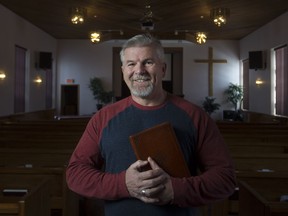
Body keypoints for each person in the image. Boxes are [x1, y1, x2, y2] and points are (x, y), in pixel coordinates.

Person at [66, 34, 236, 216]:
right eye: (131, 64)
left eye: (148, 62)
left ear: (163, 69)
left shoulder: (195, 116)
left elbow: (225, 179)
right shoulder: (103, 118)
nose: (139, 70)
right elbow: (76, 174)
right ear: (123, 70)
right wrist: (123, 184)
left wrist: (176, 190)